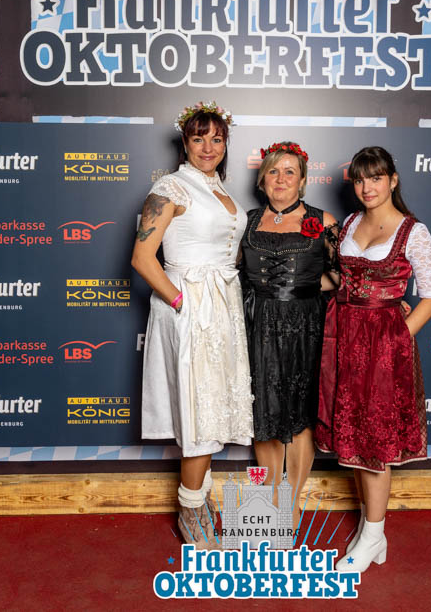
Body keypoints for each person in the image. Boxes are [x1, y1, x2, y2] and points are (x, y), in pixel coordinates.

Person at [131, 102, 252, 550]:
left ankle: (199, 498)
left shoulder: (219, 189)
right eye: (199, 138)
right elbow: (142, 258)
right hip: (190, 307)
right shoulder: (170, 187)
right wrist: (182, 301)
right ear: (185, 142)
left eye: (216, 139)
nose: (208, 147)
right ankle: (190, 509)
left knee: (214, 405)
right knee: (198, 408)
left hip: (222, 306)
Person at [315, 146, 431, 574]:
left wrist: (396, 340)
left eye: (376, 178)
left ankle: (372, 536)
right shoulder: (350, 223)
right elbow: (339, 280)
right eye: (360, 179)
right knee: (351, 438)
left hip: (382, 347)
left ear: (393, 180)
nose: (367, 187)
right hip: (343, 336)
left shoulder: (413, 232)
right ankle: (373, 533)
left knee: (373, 443)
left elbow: (430, 298)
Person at [239, 141, 338, 535]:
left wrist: (303, 286)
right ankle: (267, 501)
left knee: (299, 414)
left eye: (290, 172)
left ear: (302, 180)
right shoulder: (246, 221)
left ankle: (291, 504)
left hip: (305, 325)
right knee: (264, 411)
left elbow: (343, 277)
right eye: (274, 171)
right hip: (258, 323)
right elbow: (229, 272)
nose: (281, 179)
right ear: (262, 179)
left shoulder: (323, 220)